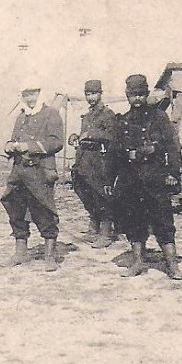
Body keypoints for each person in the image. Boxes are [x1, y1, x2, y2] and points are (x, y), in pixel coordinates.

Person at [106, 74, 182, 280]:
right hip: (130, 180)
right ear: (127, 96)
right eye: (133, 95)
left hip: (154, 178)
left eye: (141, 94)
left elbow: (173, 147)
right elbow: (114, 152)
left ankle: (172, 265)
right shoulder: (122, 121)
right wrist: (109, 179)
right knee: (134, 221)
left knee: (163, 221)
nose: (137, 99)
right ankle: (138, 261)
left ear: (147, 94)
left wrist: (173, 174)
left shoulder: (159, 117)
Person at [1, 82, 65, 271]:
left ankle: (50, 256)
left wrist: (30, 146)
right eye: (26, 95)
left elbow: (56, 142)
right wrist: (9, 146)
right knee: (14, 207)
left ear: (40, 93)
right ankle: (21, 252)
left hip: (40, 171)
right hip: (19, 171)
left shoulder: (51, 114)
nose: (29, 99)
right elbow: (14, 139)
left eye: (33, 94)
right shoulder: (21, 117)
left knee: (44, 210)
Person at [69, 80, 118, 247]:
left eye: (94, 93)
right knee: (85, 192)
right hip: (84, 159)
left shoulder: (107, 114)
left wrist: (91, 133)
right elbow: (83, 135)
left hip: (100, 160)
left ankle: (106, 233)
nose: (90, 97)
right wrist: (76, 136)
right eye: (88, 94)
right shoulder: (87, 116)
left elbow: (111, 135)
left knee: (101, 195)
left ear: (100, 93)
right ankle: (94, 227)